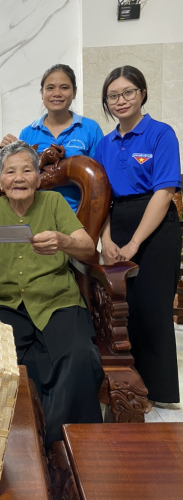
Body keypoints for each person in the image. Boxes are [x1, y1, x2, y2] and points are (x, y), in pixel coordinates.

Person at [0, 141, 104, 448]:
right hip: (5, 303)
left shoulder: (53, 203)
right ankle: (5, 447)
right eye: (10, 171)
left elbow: (88, 248)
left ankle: (61, 445)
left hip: (57, 300)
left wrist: (63, 241)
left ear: (38, 177)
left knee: (77, 356)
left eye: (27, 170)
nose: (18, 178)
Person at [94, 65, 181, 410]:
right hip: (118, 223)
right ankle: (129, 388)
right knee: (122, 308)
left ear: (142, 93)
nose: (121, 100)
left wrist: (134, 243)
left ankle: (159, 392)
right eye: (114, 95)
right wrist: (107, 238)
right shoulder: (104, 143)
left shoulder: (160, 134)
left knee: (153, 308)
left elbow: (164, 192)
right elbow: (102, 198)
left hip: (157, 228)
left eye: (128, 92)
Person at [1, 64, 103, 211]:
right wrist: (7, 152)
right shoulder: (28, 133)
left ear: (74, 92)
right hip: (37, 215)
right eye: (50, 88)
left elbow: (100, 179)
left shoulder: (90, 128)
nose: (57, 93)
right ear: (42, 93)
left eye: (64, 87)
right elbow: (21, 178)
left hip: (79, 216)